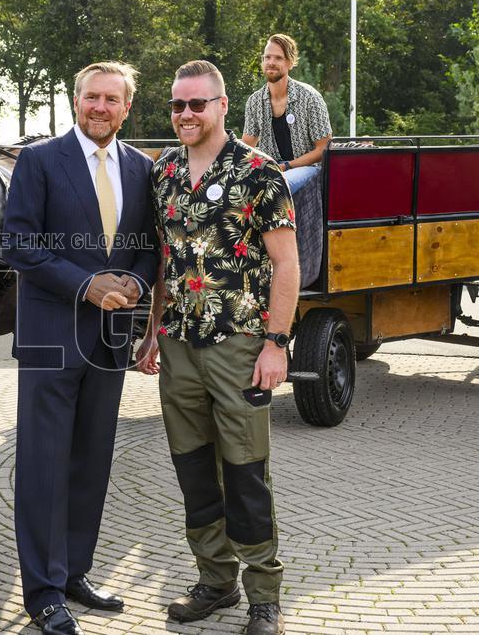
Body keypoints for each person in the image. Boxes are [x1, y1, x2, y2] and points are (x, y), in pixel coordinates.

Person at [137, 60, 299, 635]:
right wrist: (152, 329)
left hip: (240, 346)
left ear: (222, 105)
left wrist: (277, 344)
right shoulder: (164, 174)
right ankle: (214, 581)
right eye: (177, 105)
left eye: (196, 104)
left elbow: (286, 264)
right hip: (178, 344)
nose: (185, 114)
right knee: (193, 470)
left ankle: (264, 597)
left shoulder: (260, 173)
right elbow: (163, 261)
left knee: (246, 472)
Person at [4, 61, 160, 635]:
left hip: (111, 341)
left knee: (91, 460)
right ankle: (42, 593)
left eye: (111, 99)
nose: (100, 107)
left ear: (126, 107)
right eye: (91, 97)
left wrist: (137, 284)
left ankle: (73, 573)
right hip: (51, 337)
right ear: (77, 101)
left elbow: (148, 249)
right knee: (44, 465)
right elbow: (17, 242)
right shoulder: (41, 160)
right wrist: (85, 284)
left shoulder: (143, 169)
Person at [242, 34, 332, 198]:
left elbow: (323, 148)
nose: (271, 62)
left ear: (290, 63)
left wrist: (286, 166)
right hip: (272, 169)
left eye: (278, 58)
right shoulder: (254, 101)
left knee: (276, 186)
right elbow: (247, 147)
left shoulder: (310, 98)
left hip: (309, 169)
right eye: (267, 57)